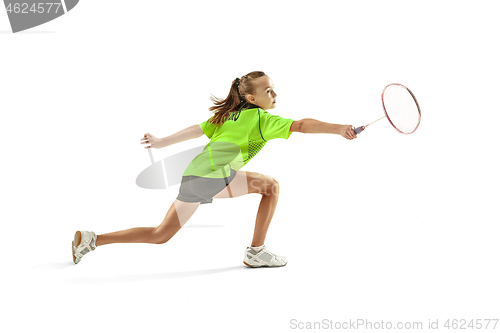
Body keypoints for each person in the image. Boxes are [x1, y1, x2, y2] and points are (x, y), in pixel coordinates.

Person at [72, 71, 357, 267]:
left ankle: (92, 240)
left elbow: (197, 130)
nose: (275, 94)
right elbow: (301, 125)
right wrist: (339, 129)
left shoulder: (229, 114)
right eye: (268, 90)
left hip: (193, 175)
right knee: (271, 186)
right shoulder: (260, 118)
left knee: (161, 234)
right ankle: (256, 252)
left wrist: (161, 142)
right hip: (213, 175)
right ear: (252, 99)